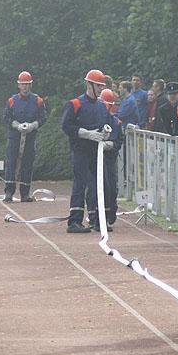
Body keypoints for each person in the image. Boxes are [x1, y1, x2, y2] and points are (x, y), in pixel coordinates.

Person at [61, 69, 111, 233]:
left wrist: (105, 134)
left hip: (97, 151)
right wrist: (87, 134)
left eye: (102, 86)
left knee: (101, 184)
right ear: (89, 84)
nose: (101, 89)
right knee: (80, 183)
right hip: (80, 149)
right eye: (98, 85)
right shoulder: (75, 104)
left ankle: (98, 219)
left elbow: (107, 124)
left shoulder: (103, 106)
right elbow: (66, 126)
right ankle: (74, 221)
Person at [2, 71, 48, 202]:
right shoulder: (12, 101)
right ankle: (9, 192)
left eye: (27, 84)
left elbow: (43, 117)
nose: (25, 87)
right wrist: (16, 125)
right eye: (23, 84)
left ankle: (25, 193)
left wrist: (34, 125)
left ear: (30, 85)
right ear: (19, 85)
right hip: (14, 137)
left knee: (27, 164)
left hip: (30, 137)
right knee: (11, 163)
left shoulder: (38, 101)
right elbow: (6, 118)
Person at [99, 88, 123, 229]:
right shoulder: (93, 120)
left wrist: (110, 145)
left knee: (111, 187)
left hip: (110, 159)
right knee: (98, 187)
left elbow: (119, 140)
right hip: (96, 159)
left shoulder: (116, 122)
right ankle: (97, 217)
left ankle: (110, 212)